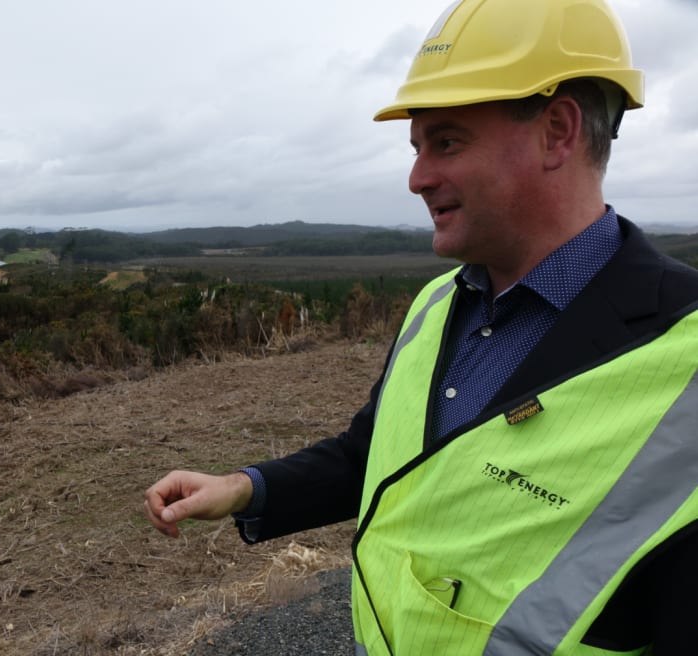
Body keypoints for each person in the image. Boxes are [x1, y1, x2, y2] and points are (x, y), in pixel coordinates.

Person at [143, 0, 698, 653]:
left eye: (447, 142)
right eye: (416, 148)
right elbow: (377, 457)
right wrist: (244, 489)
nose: (417, 178)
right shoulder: (438, 303)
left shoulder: (684, 361)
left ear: (557, 132)